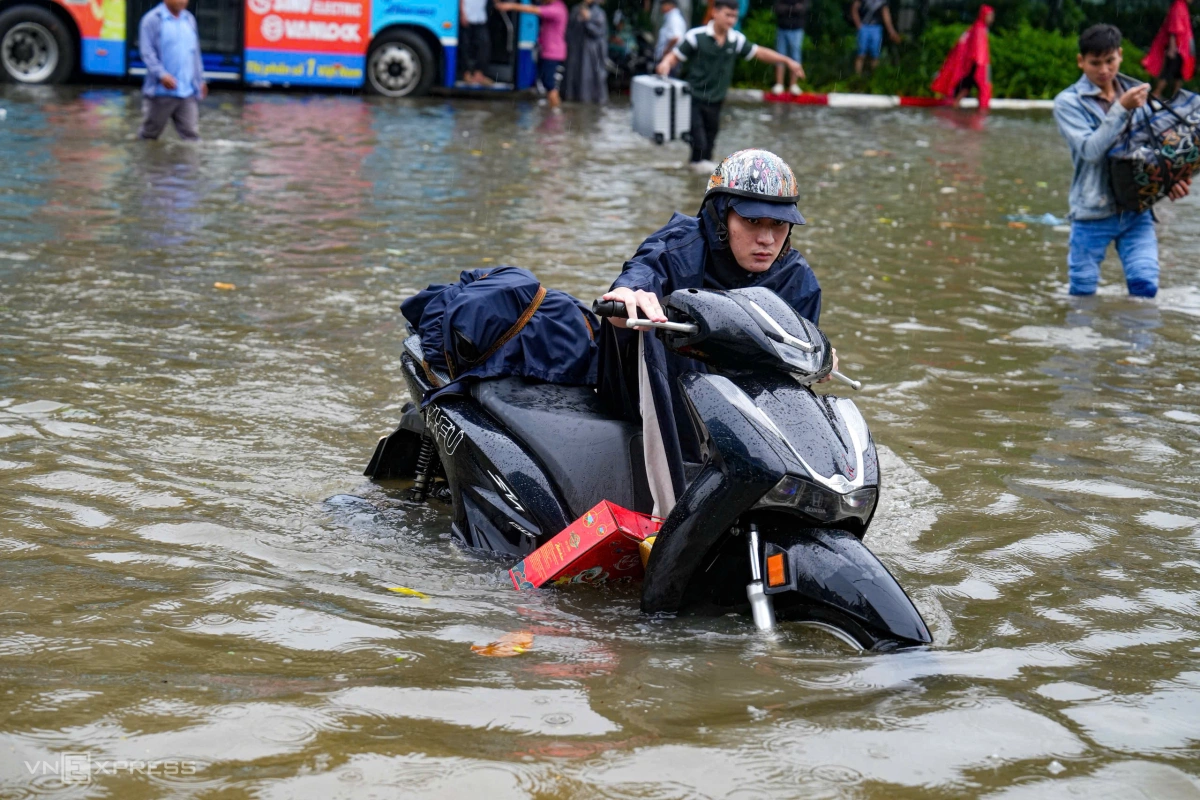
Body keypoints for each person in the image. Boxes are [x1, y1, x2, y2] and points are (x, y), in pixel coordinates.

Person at [597, 149, 832, 515]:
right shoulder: (678, 247)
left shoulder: (798, 280)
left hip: (743, 426)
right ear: (721, 216)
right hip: (663, 409)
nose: (768, 239)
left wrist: (817, 358)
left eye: (779, 225)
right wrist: (627, 295)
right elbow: (641, 274)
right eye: (754, 222)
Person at [1053, 23, 1192, 298]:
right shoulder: (1068, 103)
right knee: (1082, 294)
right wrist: (1120, 109)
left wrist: (1170, 179)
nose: (1104, 70)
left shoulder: (1137, 92)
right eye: (1095, 63)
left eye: (1110, 61)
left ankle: (1139, 341)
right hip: (1092, 211)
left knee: (1145, 289)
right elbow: (1091, 151)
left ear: (1120, 54)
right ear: (1081, 62)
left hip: (1137, 208)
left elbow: (1151, 150)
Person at [656, 0, 802, 172]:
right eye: (727, 15)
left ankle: (698, 183)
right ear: (715, 13)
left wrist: (786, 61)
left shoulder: (735, 39)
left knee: (709, 146)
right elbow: (675, 55)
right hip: (692, 99)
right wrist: (665, 63)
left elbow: (759, 52)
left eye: (734, 16)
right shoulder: (696, 36)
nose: (731, 20)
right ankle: (693, 180)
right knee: (700, 143)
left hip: (716, 100)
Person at [137, 0, 205, 141]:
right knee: (149, 136)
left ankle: (189, 163)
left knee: (192, 138)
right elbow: (147, 53)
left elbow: (195, 54)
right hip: (161, 92)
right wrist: (162, 75)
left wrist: (200, 80)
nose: (182, 1)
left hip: (187, 92)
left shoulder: (189, 19)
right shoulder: (152, 20)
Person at [496, 0, 568, 106]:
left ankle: (556, 114)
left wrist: (511, 5)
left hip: (553, 54)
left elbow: (534, 10)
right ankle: (551, 113)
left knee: (550, 86)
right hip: (546, 52)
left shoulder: (557, 9)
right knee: (546, 84)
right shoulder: (554, 6)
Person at [931, 4, 993, 109]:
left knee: (966, 87)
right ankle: (981, 113)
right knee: (978, 88)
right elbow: (978, 52)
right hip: (975, 65)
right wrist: (979, 66)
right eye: (990, 16)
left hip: (972, 64)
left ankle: (956, 105)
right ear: (984, 15)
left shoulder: (976, 28)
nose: (992, 19)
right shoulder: (978, 29)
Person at [1143, 0, 1194, 99]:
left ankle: (1175, 98)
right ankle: (1156, 95)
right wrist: (1172, 47)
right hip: (1177, 48)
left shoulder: (1183, 6)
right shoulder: (1178, 5)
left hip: (1183, 48)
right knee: (1168, 72)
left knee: (1178, 75)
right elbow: (1174, 28)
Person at [563, 0, 609, 103]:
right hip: (575, 50)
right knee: (572, 75)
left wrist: (587, 20)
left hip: (591, 52)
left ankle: (590, 100)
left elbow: (599, 32)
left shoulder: (599, 13)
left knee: (589, 76)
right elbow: (569, 31)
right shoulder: (575, 10)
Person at [850, 0, 900, 76]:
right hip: (864, 26)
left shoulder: (882, 2)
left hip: (876, 27)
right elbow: (854, 8)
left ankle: (874, 77)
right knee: (861, 54)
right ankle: (857, 76)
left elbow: (886, 15)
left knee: (875, 55)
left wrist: (891, 31)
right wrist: (858, 24)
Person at [771, 0, 807, 95]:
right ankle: (779, 84)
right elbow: (777, 8)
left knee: (795, 56)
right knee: (779, 56)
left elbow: (803, 9)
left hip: (797, 28)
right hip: (782, 27)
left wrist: (786, 9)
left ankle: (793, 85)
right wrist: (794, 8)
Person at [460, 0, 492, 85]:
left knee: (484, 46)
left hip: (480, 18)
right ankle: (466, 74)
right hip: (467, 17)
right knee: (465, 46)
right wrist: (462, 13)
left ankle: (479, 74)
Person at [654, 0, 687, 69]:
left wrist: (665, 51)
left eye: (663, 4)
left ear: (670, 5)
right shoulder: (670, 17)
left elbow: (676, 37)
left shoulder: (674, 18)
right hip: (667, 57)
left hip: (669, 58)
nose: (661, 7)